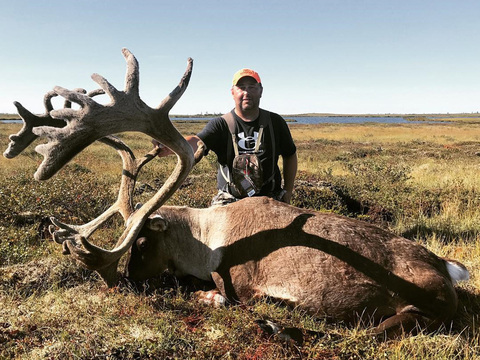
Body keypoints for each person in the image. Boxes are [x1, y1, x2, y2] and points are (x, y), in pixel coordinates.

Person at [154, 68, 297, 206]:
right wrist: (171, 144)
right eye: (241, 87)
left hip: (269, 197)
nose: (246, 92)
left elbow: (290, 155)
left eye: (252, 87)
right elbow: (198, 142)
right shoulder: (220, 124)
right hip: (230, 198)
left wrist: (288, 191)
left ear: (261, 91)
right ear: (233, 92)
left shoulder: (275, 122)